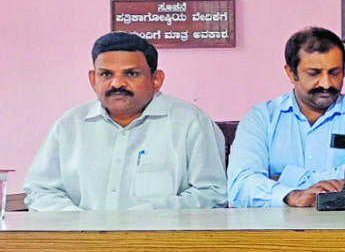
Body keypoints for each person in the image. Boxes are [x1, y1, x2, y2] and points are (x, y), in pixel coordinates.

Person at [23, 32, 226, 210]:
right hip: (82, 245)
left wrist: (148, 217)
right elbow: (41, 191)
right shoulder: (69, 125)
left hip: (164, 244)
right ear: (94, 80)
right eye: (106, 74)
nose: (117, 83)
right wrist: (78, 223)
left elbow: (212, 193)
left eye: (131, 73)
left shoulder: (190, 123)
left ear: (156, 79)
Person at [227, 26, 345, 207]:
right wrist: (291, 196)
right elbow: (240, 186)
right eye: (314, 73)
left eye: (335, 73)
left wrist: (284, 178)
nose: (326, 83)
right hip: (277, 230)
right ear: (290, 72)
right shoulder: (262, 118)